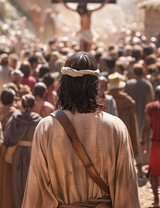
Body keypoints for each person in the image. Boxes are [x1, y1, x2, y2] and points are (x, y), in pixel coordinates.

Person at [22, 52, 140, 208]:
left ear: (63, 85)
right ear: (96, 85)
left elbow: (36, 190)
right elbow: (127, 189)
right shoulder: (115, 127)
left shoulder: (46, 128)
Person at [3, 94, 41, 208]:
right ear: (33, 105)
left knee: (16, 186)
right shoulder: (39, 119)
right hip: (33, 155)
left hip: (17, 154)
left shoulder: (15, 118)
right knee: (32, 187)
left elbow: (7, 137)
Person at [141, 85, 160, 207]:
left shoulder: (151, 107)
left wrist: (143, 144)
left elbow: (147, 128)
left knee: (153, 173)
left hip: (156, 144)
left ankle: (156, 200)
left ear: (155, 94)